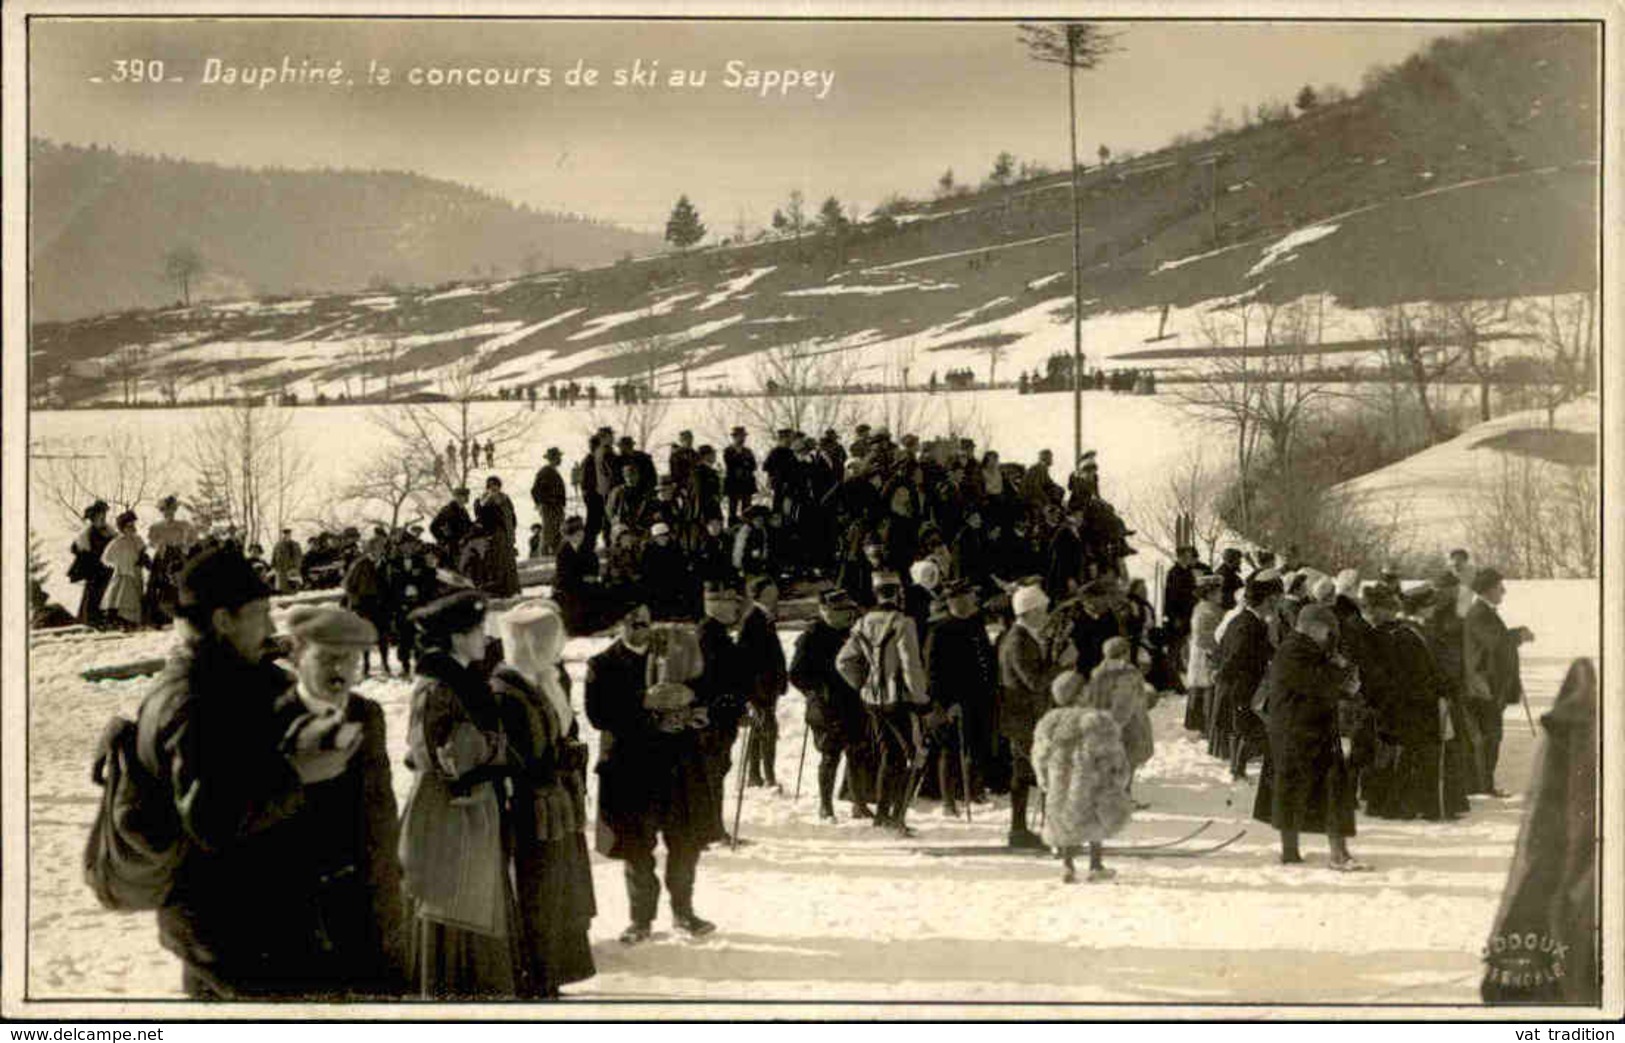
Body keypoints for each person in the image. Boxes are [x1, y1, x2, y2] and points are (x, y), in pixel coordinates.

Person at [140, 549, 374, 998]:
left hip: (234, 924)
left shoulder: (221, 680)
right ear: (223, 619)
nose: (270, 627)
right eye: (260, 613)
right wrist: (296, 774)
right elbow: (211, 819)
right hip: (237, 935)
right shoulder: (196, 700)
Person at [273, 604, 410, 997]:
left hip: (365, 900)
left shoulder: (367, 714)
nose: (341, 669)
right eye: (328, 657)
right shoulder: (271, 718)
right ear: (298, 656)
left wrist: (388, 889)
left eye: (350, 658)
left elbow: (380, 807)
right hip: (298, 908)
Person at [399, 590, 520, 998]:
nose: (485, 637)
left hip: (473, 807)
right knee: (455, 904)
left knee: (476, 898)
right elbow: (436, 754)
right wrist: (489, 749)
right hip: (449, 811)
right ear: (454, 637)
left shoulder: (464, 680)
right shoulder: (437, 687)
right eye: (476, 630)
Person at [586, 603, 719, 944]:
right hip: (631, 771)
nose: (638, 629)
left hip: (677, 768)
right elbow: (599, 715)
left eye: (644, 622)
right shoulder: (601, 665)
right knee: (636, 849)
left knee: (685, 842)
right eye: (630, 623)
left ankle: (684, 912)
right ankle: (640, 919)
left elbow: (709, 686)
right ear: (619, 624)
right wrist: (643, 703)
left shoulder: (676, 650)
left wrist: (694, 701)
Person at [491, 601, 597, 998]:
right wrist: (557, 760)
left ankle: (553, 970)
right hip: (530, 811)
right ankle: (535, 976)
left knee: (559, 891)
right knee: (538, 892)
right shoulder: (507, 691)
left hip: (553, 805)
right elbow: (518, 759)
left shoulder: (541, 680)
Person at [1252, 603, 1368, 871]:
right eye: (1329, 631)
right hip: (1300, 733)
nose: (1331, 637)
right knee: (1326, 789)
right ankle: (1333, 855)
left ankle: (1298, 853)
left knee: (1297, 791)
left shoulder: (1304, 649)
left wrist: (1343, 682)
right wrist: (1340, 671)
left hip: (1304, 731)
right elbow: (1316, 684)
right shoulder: (1294, 651)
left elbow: (1321, 685)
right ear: (1314, 627)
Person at [836, 572, 929, 836]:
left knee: (889, 753)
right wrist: (921, 699)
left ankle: (883, 814)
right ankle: (895, 815)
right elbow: (911, 665)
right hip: (897, 698)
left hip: (872, 698)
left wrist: (862, 682)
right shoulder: (903, 623)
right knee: (910, 756)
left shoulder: (863, 623)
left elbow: (843, 660)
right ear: (898, 593)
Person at [1034, 666, 1134, 883]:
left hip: (1060, 782)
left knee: (1065, 819)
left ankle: (1067, 866)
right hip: (1091, 782)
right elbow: (1113, 756)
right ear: (1079, 694)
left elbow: (1040, 755)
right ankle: (1095, 865)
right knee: (1096, 820)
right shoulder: (1097, 721)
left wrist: (1043, 778)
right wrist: (1119, 778)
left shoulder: (1049, 723)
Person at [791, 590, 873, 821]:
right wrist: (816, 692)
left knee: (858, 752)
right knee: (830, 754)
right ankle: (825, 806)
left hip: (853, 701)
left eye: (848, 610)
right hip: (825, 706)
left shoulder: (853, 632)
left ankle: (859, 803)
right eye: (840, 610)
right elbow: (796, 674)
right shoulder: (812, 635)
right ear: (825, 610)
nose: (847, 615)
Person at [923, 578, 998, 814]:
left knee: (975, 744)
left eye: (969, 597)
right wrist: (944, 704)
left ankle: (973, 789)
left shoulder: (977, 623)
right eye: (962, 598)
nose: (969, 602)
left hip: (978, 696)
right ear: (952, 601)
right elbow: (932, 672)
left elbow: (985, 658)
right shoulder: (940, 630)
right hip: (951, 701)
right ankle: (948, 801)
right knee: (950, 750)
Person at [1463, 567, 1534, 797]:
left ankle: (1481, 783)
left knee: (1489, 735)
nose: (1503, 591)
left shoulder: (1484, 612)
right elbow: (1497, 643)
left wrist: (1515, 634)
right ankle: (1483, 785)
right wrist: (1519, 636)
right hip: (1483, 687)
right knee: (1489, 736)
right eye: (1498, 587)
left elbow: (1497, 640)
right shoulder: (1479, 613)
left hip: (1486, 685)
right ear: (1487, 590)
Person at [996, 584, 1057, 850]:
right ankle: (1041, 831)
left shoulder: (1025, 637)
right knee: (1041, 772)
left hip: (1025, 717)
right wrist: (1061, 665)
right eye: (1043, 610)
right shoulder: (1018, 640)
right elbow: (1034, 681)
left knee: (1023, 774)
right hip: (1023, 718)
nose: (1046, 615)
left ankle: (1020, 830)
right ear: (1030, 611)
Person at [693, 583, 745, 843]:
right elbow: (710, 681)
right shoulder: (708, 636)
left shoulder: (718, 633)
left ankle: (713, 828)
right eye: (730, 602)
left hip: (722, 716)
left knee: (717, 773)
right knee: (711, 775)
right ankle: (709, 830)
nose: (736, 606)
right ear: (716, 605)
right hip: (713, 718)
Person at [1214, 573, 1280, 778]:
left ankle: (1237, 769)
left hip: (1241, 686)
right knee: (1249, 729)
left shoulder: (1247, 620)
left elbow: (1267, 650)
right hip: (1239, 686)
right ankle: (1237, 770)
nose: (1275, 604)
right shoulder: (1249, 624)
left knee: (1244, 727)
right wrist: (1222, 675)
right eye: (1273, 600)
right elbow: (1236, 655)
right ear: (1266, 600)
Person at [1083, 636, 1156, 799]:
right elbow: (1124, 703)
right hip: (1129, 726)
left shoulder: (1098, 673)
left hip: (1102, 723)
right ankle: (1124, 798)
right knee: (1128, 762)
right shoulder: (1128, 674)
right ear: (1125, 653)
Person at [738, 575, 787, 790]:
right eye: (771, 591)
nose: (775, 595)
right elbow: (745, 658)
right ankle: (768, 777)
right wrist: (751, 691)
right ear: (760, 594)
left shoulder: (765, 617)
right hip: (759, 689)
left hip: (768, 687)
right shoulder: (752, 619)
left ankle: (755, 776)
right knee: (768, 730)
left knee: (760, 731)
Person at [341, 539, 394, 676]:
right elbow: (347, 585)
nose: (379, 551)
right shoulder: (360, 564)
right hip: (365, 603)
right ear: (370, 549)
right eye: (376, 548)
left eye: (381, 548)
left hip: (383, 604)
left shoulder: (386, 563)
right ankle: (366, 665)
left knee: (383, 636)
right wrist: (356, 602)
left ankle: (385, 663)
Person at [1185, 574, 1226, 734]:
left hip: (1207, 654)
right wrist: (1216, 649)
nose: (1221, 595)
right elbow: (1202, 637)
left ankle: (1205, 725)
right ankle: (1205, 726)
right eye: (1218, 592)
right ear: (1209, 593)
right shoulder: (1205, 611)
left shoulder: (1211, 608)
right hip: (1206, 655)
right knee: (1206, 688)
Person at [146, 496, 196, 625]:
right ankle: (159, 617)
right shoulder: (156, 527)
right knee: (160, 584)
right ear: (161, 511)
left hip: (177, 555)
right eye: (165, 510)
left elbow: (192, 540)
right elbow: (151, 542)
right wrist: (160, 545)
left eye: (171, 510)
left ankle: (180, 615)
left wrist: (184, 547)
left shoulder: (183, 525)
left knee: (178, 583)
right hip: (162, 556)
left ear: (175, 510)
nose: (168, 513)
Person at [553, 516, 607, 636]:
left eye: (581, 533)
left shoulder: (586, 547)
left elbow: (594, 565)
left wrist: (591, 576)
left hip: (587, 583)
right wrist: (582, 579)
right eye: (577, 534)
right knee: (576, 602)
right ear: (569, 536)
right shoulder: (563, 551)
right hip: (568, 586)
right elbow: (564, 575)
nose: (580, 537)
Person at [71, 500, 116, 627]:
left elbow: (116, 545)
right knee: (93, 594)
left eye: (104, 515)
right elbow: (75, 548)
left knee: (107, 594)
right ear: (93, 518)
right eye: (99, 516)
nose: (102, 518)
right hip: (94, 570)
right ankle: (88, 620)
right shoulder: (88, 533)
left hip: (108, 569)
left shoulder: (110, 531)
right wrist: (87, 555)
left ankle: (104, 619)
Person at [100, 510, 148, 629]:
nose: (131, 528)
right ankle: (122, 621)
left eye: (133, 525)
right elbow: (106, 558)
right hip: (123, 572)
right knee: (123, 596)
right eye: (128, 526)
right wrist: (117, 564)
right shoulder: (117, 542)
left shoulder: (138, 540)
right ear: (122, 528)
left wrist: (143, 560)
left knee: (136, 595)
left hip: (136, 571)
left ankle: (135, 621)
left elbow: (143, 553)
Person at [476, 476, 521, 597]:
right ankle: (498, 592)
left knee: (509, 565)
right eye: (490, 485)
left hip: (507, 537)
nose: (493, 488)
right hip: (493, 538)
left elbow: (512, 516)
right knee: (496, 566)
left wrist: (511, 532)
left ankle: (512, 591)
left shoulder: (506, 499)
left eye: (495, 485)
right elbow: (481, 518)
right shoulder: (482, 500)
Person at [640, 522, 693, 621]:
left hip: (674, 584)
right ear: (655, 538)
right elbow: (646, 572)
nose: (663, 539)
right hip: (657, 586)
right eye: (660, 537)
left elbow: (682, 567)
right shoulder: (649, 552)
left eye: (665, 536)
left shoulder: (675, 548)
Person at [530, 448, 568, 557]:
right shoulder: (545, 472)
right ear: (553, 458)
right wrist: (542, 503)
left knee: (557, 532)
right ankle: (544, 556)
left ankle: (556, 555)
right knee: (548, 532)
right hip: (550, 508)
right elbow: (535, 490)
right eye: (558, 457)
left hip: (556, 507)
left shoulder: (553, 471)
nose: (560, 459)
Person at [723, 426, 758, 527]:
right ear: (734, 437)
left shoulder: (748, 451)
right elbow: (730, 464)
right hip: (733, 484)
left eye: (743, 436)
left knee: (747, 508)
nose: (742, 439)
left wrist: (742, 464)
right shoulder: (728, 451)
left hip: (746, 483)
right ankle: (732, 528)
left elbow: (753, 465)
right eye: (740, 436)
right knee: (732, 509)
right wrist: (743, 462)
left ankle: (746, 527)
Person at [430, 488, 474, 565]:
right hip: (446, 548)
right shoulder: (447, 510)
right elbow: (433, 527)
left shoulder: (464, 513)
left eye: (463, 496)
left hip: (459, 548)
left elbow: (469, 527)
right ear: (455, 497)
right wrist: (443, 539)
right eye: (458, 496)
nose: (460, 499)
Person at [270, 527, 304, 595]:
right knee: (282, 588)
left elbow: (300, 556)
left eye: (288, 533)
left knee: (295, 586)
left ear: (290, 534)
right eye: (285, 533)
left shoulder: (296, 545)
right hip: (282, 569)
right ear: (283, 535)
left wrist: (298, 566)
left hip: (293, 568)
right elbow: (274, 557)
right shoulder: (278, 545)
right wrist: (273, 566)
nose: (287, 535)